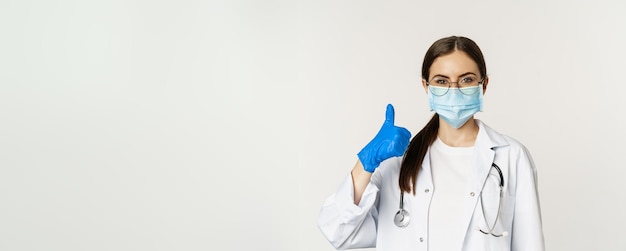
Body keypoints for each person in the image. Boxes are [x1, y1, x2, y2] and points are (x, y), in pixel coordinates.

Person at [317, 36, 545, 251]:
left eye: (466, 80)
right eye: (442, 81)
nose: (453, 90)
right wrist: (365, 163)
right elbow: (337, 231)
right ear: (426, 87)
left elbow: (530, 244)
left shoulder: (511, 157)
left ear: (483, 85)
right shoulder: (399, 161)